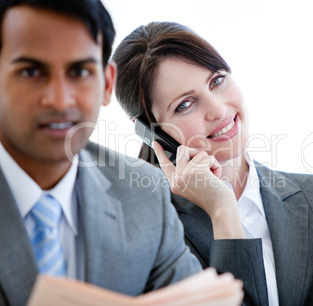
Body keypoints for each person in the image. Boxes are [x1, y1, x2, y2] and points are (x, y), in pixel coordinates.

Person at [112, 21, 313, 305]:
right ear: (151, 131)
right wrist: (222, 209)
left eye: (217, 80)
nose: (218, 110)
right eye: (185, 104)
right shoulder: (144, 230)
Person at [0, 2, 204, 306]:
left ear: (107, 83)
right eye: (31, 71)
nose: (59, 99)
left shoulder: (143, 196)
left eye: (80, 71)